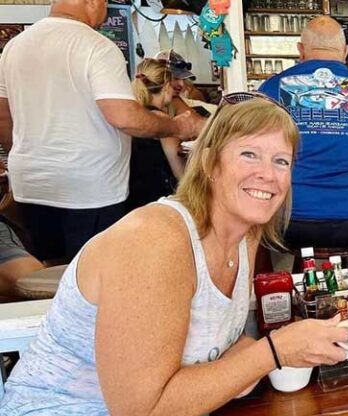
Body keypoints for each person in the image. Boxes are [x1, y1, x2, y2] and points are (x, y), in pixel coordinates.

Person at [0, 94, 348, 416]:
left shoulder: (245, 238)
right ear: (211, 162)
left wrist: (250, 352)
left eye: (280, 161)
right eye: (249, 154)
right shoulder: (158, 240)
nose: (268, 173)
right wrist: (273, 352)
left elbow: (207, 343)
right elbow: (140, 411)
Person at [0, 0, 203, 264]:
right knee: (94, 274)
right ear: (93, 2)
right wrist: (177, 126)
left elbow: (3, 116)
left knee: (51, 271)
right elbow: (125, 116)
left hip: (32, 184)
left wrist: (28, 155)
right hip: (89, 189)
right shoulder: (96, 46)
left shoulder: (16, 47)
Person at [260, 16, 348, 262]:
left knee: (250, 215)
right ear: (345, 51)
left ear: (301, 51)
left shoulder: (272, 87)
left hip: (292, 223)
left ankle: (267, 291)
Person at [127, 58, 186, 211]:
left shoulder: (132, 116)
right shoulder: (163, 122)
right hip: (158, 197)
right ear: (167, 87)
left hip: (131, 196)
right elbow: (180, 173)